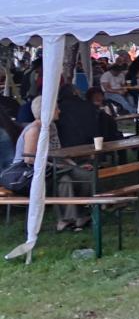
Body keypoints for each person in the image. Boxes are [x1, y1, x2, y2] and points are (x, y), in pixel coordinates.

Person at [18, 96, 93, 230]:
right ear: (46, 111)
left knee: (84, 176)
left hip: (51, 168)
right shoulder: (34, 130)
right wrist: (55, 167)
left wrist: (74, 166)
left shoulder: (51, 127)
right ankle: (67, 220)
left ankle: (79, 215)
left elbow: (58, 153)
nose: (59, 111)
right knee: (65, 180)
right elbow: (29, 160)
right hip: (27, 174)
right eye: (56, 108)